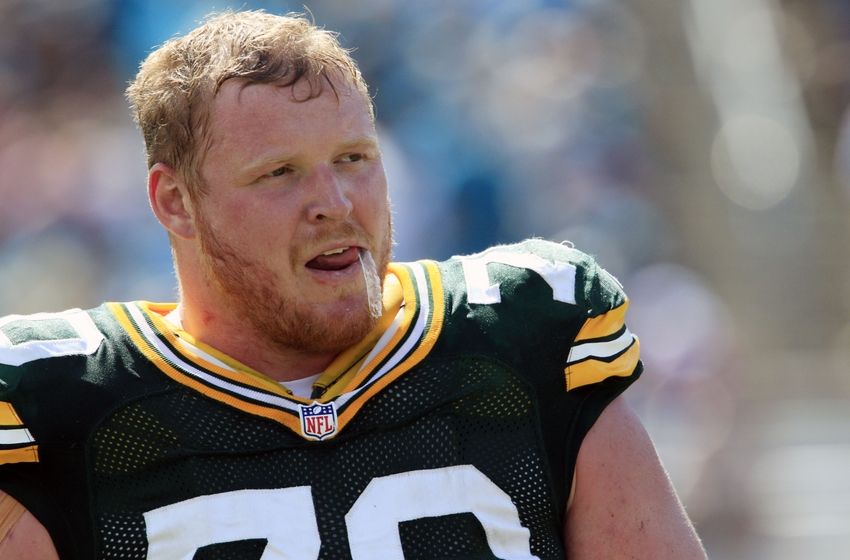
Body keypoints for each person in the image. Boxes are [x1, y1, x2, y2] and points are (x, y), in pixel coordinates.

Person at [0, 10, 706, 559]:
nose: (334, 202)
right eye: (280, 172)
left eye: (353, 158)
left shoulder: (522, 337)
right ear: (175, 202)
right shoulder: (63, 408)